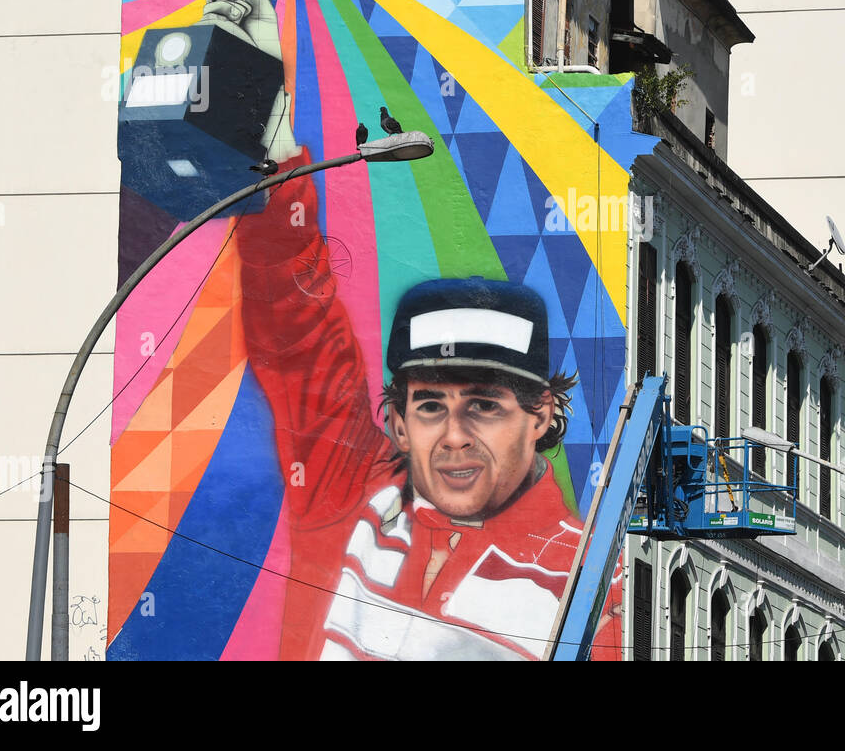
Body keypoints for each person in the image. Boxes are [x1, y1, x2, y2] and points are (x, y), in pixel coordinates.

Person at [236, 147, 620, 660]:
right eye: (430, 406)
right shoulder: (353, 493)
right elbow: (296, 334)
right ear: (397, 422)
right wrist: (280, 170)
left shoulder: (594, 580)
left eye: (485, 406)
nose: (454, 436)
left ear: (540, 415)